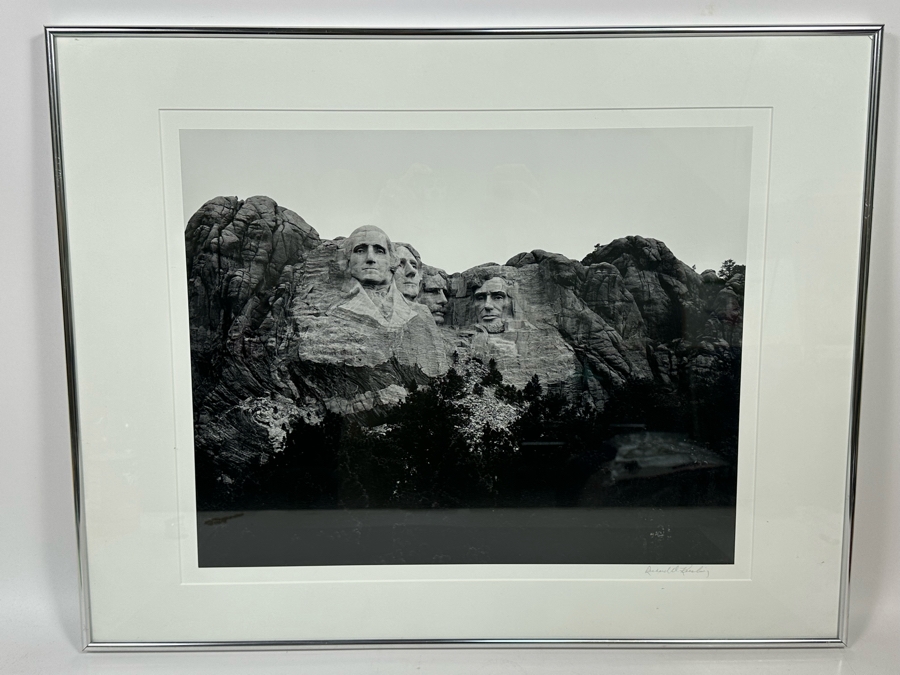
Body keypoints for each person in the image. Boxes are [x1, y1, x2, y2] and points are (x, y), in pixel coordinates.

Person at [332, 225, 417, 328]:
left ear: (392, 260)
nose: (370, 258)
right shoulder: (332, 307)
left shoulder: (419, 312)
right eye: (360, 251)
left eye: (379, 251)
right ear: (348, 259)